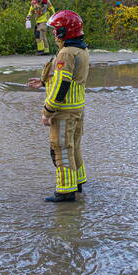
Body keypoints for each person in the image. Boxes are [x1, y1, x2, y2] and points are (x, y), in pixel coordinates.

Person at [26, 10, 90, 203]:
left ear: (65, 31)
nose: (54, 33)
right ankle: (77, 182)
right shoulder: (81, 49)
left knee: (61, 148)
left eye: (56, 30)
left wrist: (48, 111)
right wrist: (44, 82)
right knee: (73, 146)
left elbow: (63, 84)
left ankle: (65, 191)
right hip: (77, 108)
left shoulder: (65, 53)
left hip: (64, 111)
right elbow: (68, 79)